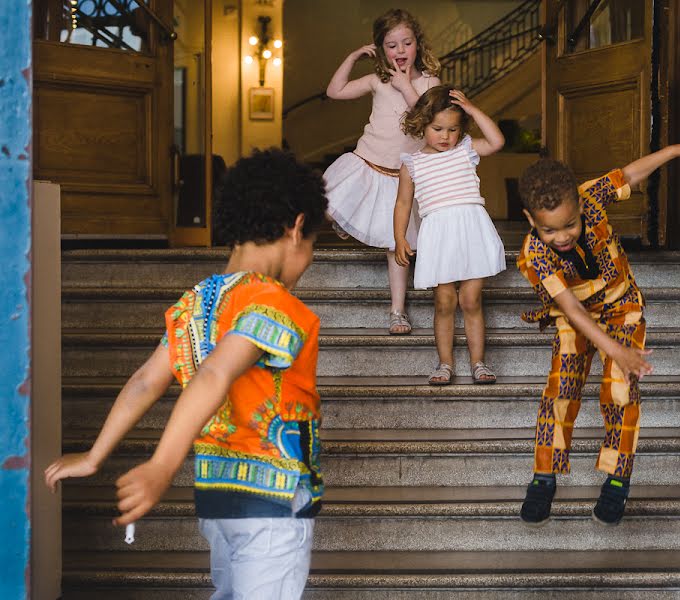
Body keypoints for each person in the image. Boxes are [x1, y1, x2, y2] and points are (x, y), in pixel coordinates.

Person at [44, 149, 329, 599]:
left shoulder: (195, 303)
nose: (308, 262)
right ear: (296, 228)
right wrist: (161, 465)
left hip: (218, 496)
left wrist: (96, 454)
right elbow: (214, 374)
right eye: (312, 247)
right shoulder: (273, 302)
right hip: (271, 499)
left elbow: (145, 380)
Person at [516, 139, 680, 526]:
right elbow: (572, 311)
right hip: (575, 318)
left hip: (622, 307)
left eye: (570, 224)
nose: (562, 237)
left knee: (620, 390)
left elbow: (631, 173)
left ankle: (618, 479)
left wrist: (675, 152)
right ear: (530, 220)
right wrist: (615, 350)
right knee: (561, 389)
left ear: (579, 204)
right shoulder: (533, 256)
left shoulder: (591, 198)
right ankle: (544, 477)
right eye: (549, 229)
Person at [324, 8, 441, 335]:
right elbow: (335, 91)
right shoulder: (378, 80)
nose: (401, 51)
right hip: (367, 164)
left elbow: (427, 116)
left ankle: (397, 312)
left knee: (397, 245)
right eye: (392, 45)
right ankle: (349, 220)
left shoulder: (430, 82)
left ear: (417, 44)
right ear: (381, 49)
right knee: (325, 207)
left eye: (407, 43)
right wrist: (352, 58)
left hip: (403, 179)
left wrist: (406, 85)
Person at [394, 85, 506, 385]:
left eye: (453, 129)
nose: (445, 136)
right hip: (439, 237)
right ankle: (445, 364)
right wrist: (400, 238)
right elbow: (403, 203)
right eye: (437, 128)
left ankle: (478, 362)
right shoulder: (412, 164)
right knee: (444, 302)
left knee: (470, 299)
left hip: (471, 231)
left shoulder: (466, 150)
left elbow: (496, 142)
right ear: (422, 124)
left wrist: (472, 109)